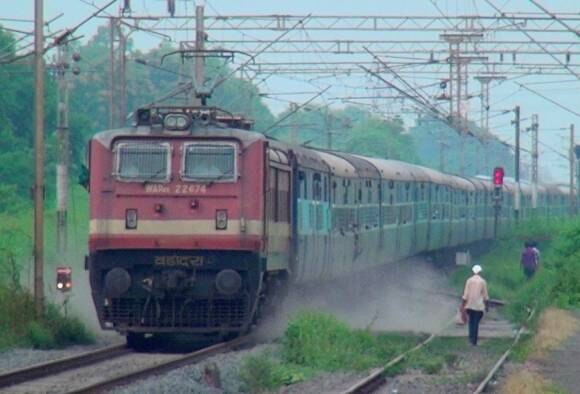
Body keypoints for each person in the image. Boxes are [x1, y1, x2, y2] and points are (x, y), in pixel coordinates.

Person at [461, 264, 489, 346]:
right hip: (479, 306)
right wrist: (487, 306)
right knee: (476, 322)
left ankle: (471, 338)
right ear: (480, 272)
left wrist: (462, 305)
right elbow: (485, 295)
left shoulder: (469, 280)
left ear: (473, 272)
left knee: (471, 321)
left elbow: (465, 294)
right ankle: (474, 340)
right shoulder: (482, 281)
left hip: (469, 305)